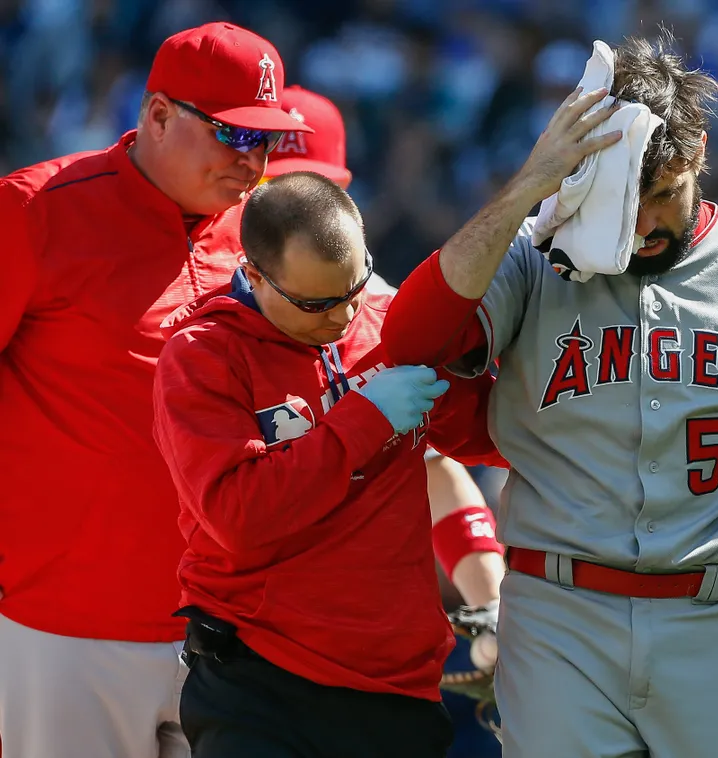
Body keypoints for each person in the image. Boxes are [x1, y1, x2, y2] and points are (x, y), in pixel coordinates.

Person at [381, 34, 718, 758]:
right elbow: (409, 340)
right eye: (624, 197)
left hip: (713, 619)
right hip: (557, 614)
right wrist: (528, 186)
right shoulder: (533, 257)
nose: (644, 223)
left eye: (662, 195)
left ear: (698, 159)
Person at [0, 22, 310, 758]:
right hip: (66, 624)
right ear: (159, 115)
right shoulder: (35, 209)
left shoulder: (260, 229)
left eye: (267, 141)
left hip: (230, 629)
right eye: (234, 135)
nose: (254, 161)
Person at [152, 172, 502, 757]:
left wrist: (481, 358)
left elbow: (489, 438)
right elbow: (241, 516)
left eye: (353, 289)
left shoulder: (391, 322)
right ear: (255, 275)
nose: (341, 318)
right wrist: (365, 418)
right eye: (316, 303)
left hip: (396, 683)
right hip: (260, 679)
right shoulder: (201, 355)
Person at [262, 84, 509, 754]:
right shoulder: (193, 320)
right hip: (208, 641)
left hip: (356, 663)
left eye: (303, 188)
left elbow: (432, 467)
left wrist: (486, 602)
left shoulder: (383, 315)